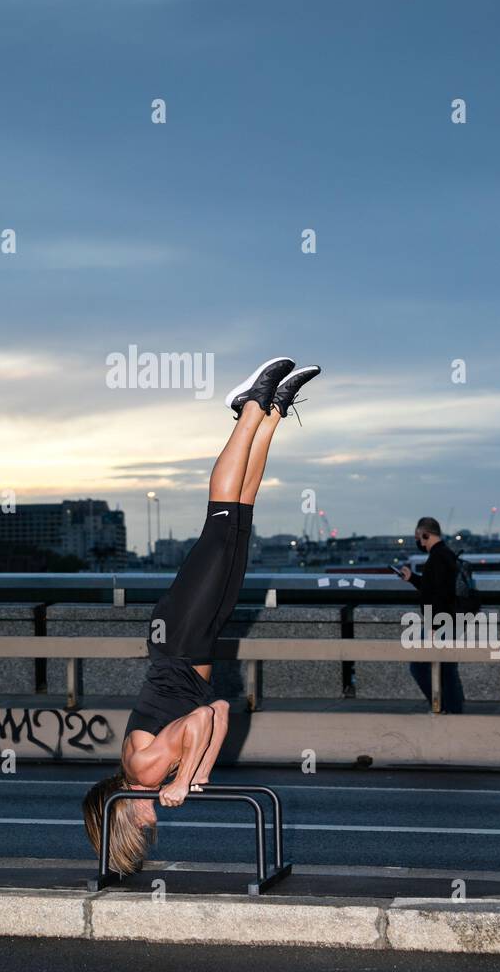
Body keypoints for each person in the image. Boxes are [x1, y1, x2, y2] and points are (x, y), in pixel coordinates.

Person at [82, 355, 321, 875]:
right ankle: (274, 412)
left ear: (123, 816)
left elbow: (196, 719)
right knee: (242, 516)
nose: (151, 824)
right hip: (197, 644)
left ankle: (247, 407)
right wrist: (198, 772)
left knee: (220, 520)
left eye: (142, 828)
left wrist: (182, 777)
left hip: (180, 639)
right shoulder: (151, 774)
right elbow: (220, 714)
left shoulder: (143, 769)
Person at [400, 516, 465, 714]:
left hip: (439, 622)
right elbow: (433, 588)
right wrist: (412, 578)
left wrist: (434, 627)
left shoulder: (437, 558)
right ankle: (452, 710)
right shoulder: (445, 554)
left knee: (419, 667)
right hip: (448, 620)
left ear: (425, 534)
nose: (418, 542)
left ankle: (444, 707)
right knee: (446, 668)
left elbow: (439, 595)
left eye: (418, 537)